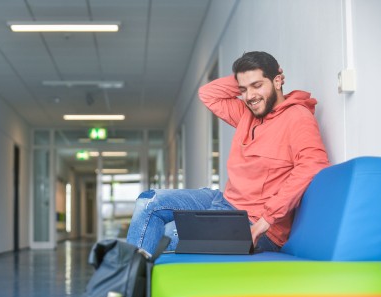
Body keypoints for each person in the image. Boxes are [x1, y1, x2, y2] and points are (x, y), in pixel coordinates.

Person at [126, 51, 330, 255]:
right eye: (244, 89)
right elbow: (208, 94)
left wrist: (264, 222)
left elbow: (313, 164)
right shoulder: (246, 114)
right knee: (149, 201)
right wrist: (245, 78)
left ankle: (131, 283)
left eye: (257, 85)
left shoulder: (297, 117)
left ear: (277, 81)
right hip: (225, 201)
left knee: (169, 235)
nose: (250, 96)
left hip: (254, 222)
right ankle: (127, 282)